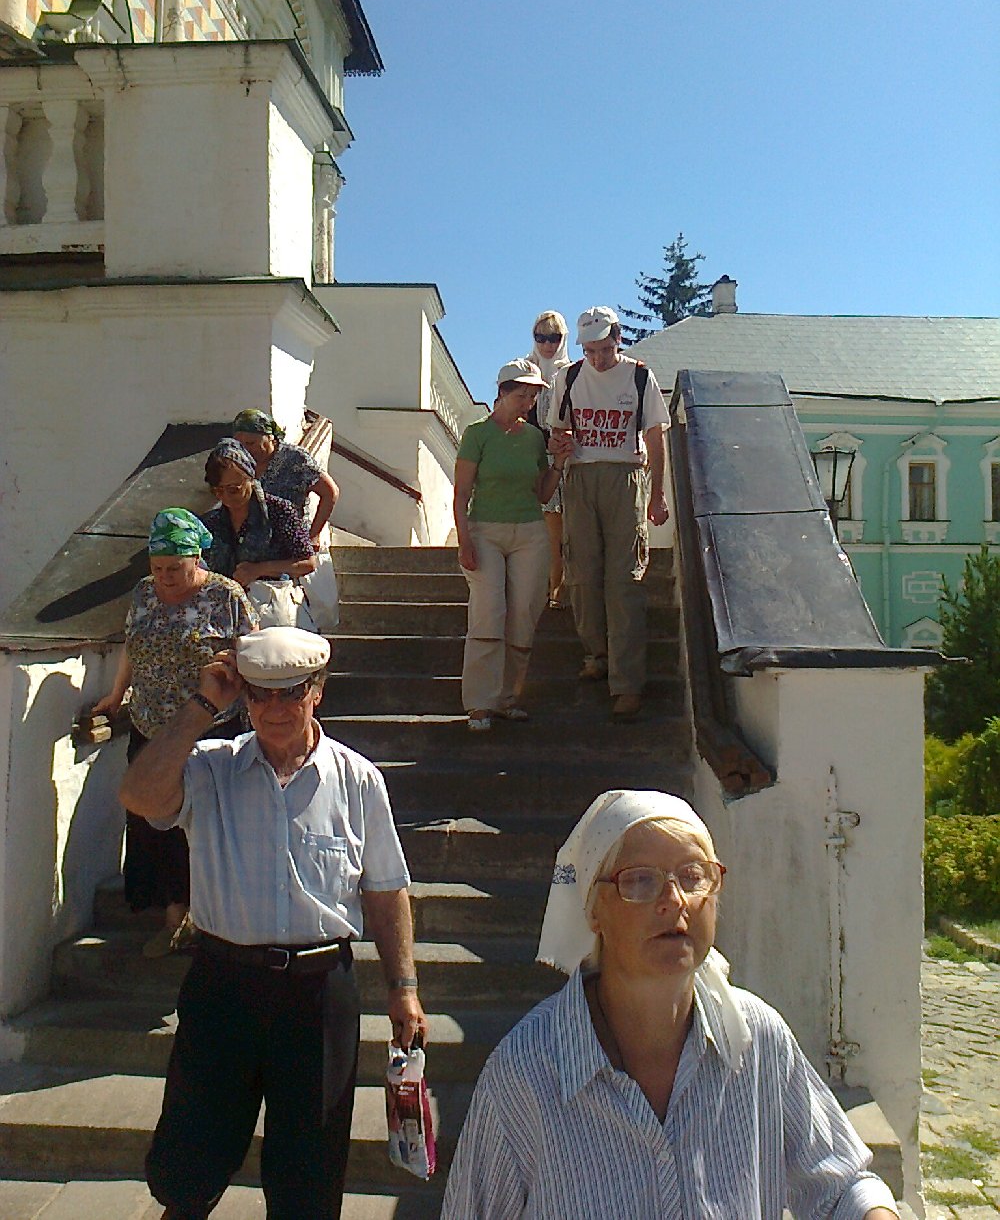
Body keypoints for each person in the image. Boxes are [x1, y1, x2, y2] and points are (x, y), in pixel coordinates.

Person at [442, 789, 900, 1220]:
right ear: (594, 909)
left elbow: (841, 1186)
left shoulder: (757, 1040)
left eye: (693, 876)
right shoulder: (527, 1070)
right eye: (640, 881)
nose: (674, 900)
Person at [120, 627, 427, 1219]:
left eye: (291, 693)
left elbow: (386, 888)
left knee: (309, 1173)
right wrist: (202, 706)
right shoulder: (209, 768)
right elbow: (137, 795)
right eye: (260, 694)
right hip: (224, 987)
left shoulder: (358, 778)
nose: (275, 709)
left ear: (318, 692)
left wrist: (404, 987)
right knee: (190, 1163)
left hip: (319, 993)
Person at [90, 509, 257, 957]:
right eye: (157, 567)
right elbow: (132, 645)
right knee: (153, 824)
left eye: (174, 568)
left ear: (196, 559)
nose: (164, 577)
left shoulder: (225, 595)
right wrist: (116, 695)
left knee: (204, 825)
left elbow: (251, 653)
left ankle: (214, 918)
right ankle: (172, 918)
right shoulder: (144, 592)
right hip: (150, 727)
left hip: (209, 730)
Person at [548, 306, 670, 722]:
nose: (598, 358)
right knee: (582, 574)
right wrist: (559, 448)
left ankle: (627, 681)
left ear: (618, 340)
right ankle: (596, 654)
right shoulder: (568, 377)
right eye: (590, 351)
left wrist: (657, 494)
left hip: (625, 476)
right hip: (581, 478)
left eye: (604, 349)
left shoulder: (639, 377)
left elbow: (655, 435)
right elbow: (559, 428)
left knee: (624, 580)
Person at [454, 359, 566, 732]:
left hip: (530, 533)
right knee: (489, 612)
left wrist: (558, 463)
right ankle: (479, 703)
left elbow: (542, 493)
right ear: (502, 393)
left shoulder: (533, 438)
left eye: (533, 397)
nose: (528, 403)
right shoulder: (477, 434)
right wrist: (465, 541)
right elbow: (461, 494)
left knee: (524, 615)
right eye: (523, 396)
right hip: (485, 531)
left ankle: (508, 699)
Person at [201, 437, 317, 620]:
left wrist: (259, 569)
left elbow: (308, 563)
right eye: (218, 491)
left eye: (234, 489)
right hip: (226, 612)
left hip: (272, 609)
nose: (226, 497)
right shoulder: (212, 521)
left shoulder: (279, 511)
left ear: (250, 477)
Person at [232, 407, 340, 550]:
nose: (246, 449)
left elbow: (330, 492)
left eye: (251, 443)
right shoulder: (237, 461)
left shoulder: (295, 459)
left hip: (290, 544)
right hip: (251, 545)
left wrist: (313, 535)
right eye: (240, 445)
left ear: (270, 437)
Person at [525, 310, 572, 608]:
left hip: (566, 459)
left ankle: (559, 588)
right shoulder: (525, 370)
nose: (547, 344)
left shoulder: (573, 372)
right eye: (540, 337)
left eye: (553, 338)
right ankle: (540, 590)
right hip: (534, 458)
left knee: (562, 531)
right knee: (541, 531)